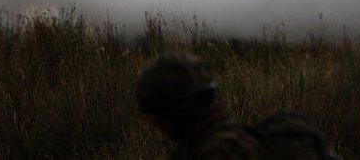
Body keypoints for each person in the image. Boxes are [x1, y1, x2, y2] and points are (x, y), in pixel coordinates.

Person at [137, 51, 336, 159]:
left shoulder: (219, 151)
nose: (155, 124)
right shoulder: (225, 140)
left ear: (178, 109)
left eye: (157, 114)